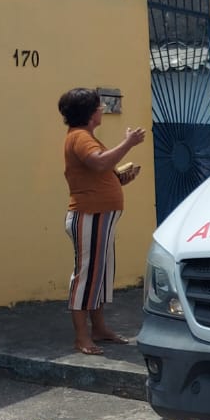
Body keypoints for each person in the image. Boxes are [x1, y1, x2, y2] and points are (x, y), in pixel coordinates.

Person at [58, 88, 146, 356]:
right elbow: (98, 164)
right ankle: (82, 337)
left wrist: (119, 180)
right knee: (86, 276)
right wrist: (128, 143)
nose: (101, 110)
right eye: (98, 107)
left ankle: (98, 328)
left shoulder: (83, 137)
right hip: (90, 215)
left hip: (100, 216)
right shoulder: (81, 138)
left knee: (100, 275)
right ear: (89, 113)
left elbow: (97, 172)